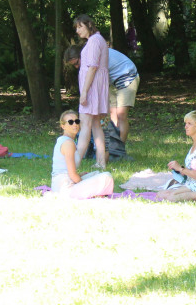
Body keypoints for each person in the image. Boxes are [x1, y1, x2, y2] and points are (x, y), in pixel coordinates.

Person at [64, 44, 139, 143]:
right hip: (112, 81)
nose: (77, 66)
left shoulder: (94, 58)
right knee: (113, 115)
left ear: (81, 55)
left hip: (127, 76)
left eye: (77, 63)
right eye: (74, 65)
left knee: (121, 114)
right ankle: (114, 145)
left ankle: (119, 148)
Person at [50, 109, 114, 198]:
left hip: (64, 183)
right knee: (107, 177)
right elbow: (72, 174)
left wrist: (80, 176)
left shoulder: (64, 140)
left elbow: (66, 171)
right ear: (63, 126)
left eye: (77, 121)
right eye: (70, 122)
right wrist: (83, 182)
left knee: (96, 173)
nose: (75, 124)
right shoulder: (68, 143)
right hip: (65, 189)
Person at [73, 14, 110, 168]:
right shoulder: (96, 40)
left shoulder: (94, 40)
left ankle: (75, 163)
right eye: (76, 28)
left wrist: (84, 92)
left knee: (85, 125)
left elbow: (93, 67)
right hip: (95, 88)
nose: (77, 31)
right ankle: (100, 162)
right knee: (95, 125)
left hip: (92, 89)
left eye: (80, 27)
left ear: (89, 25)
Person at [158, 111, 196, 202]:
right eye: (186, 123)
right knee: (161, 194)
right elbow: (193, 170)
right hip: (193, 184)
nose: (186, 126)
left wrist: (181, 169)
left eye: (189, 124)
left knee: (171, 198)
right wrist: (179, 170)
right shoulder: (195, 144)